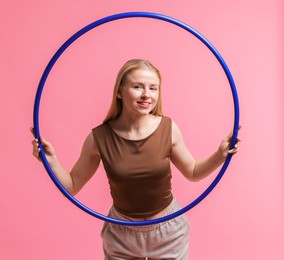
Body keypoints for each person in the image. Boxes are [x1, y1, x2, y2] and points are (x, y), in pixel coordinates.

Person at [31, 59, 240, 260]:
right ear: (120, 92)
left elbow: (193, 172)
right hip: (122, 233)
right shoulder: (98, 138)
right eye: (138, 87)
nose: (146, 95)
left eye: (153, 88)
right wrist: (51, 162)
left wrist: (220, 155)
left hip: (168, 229)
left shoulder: (169, 129)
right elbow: (73, 185)